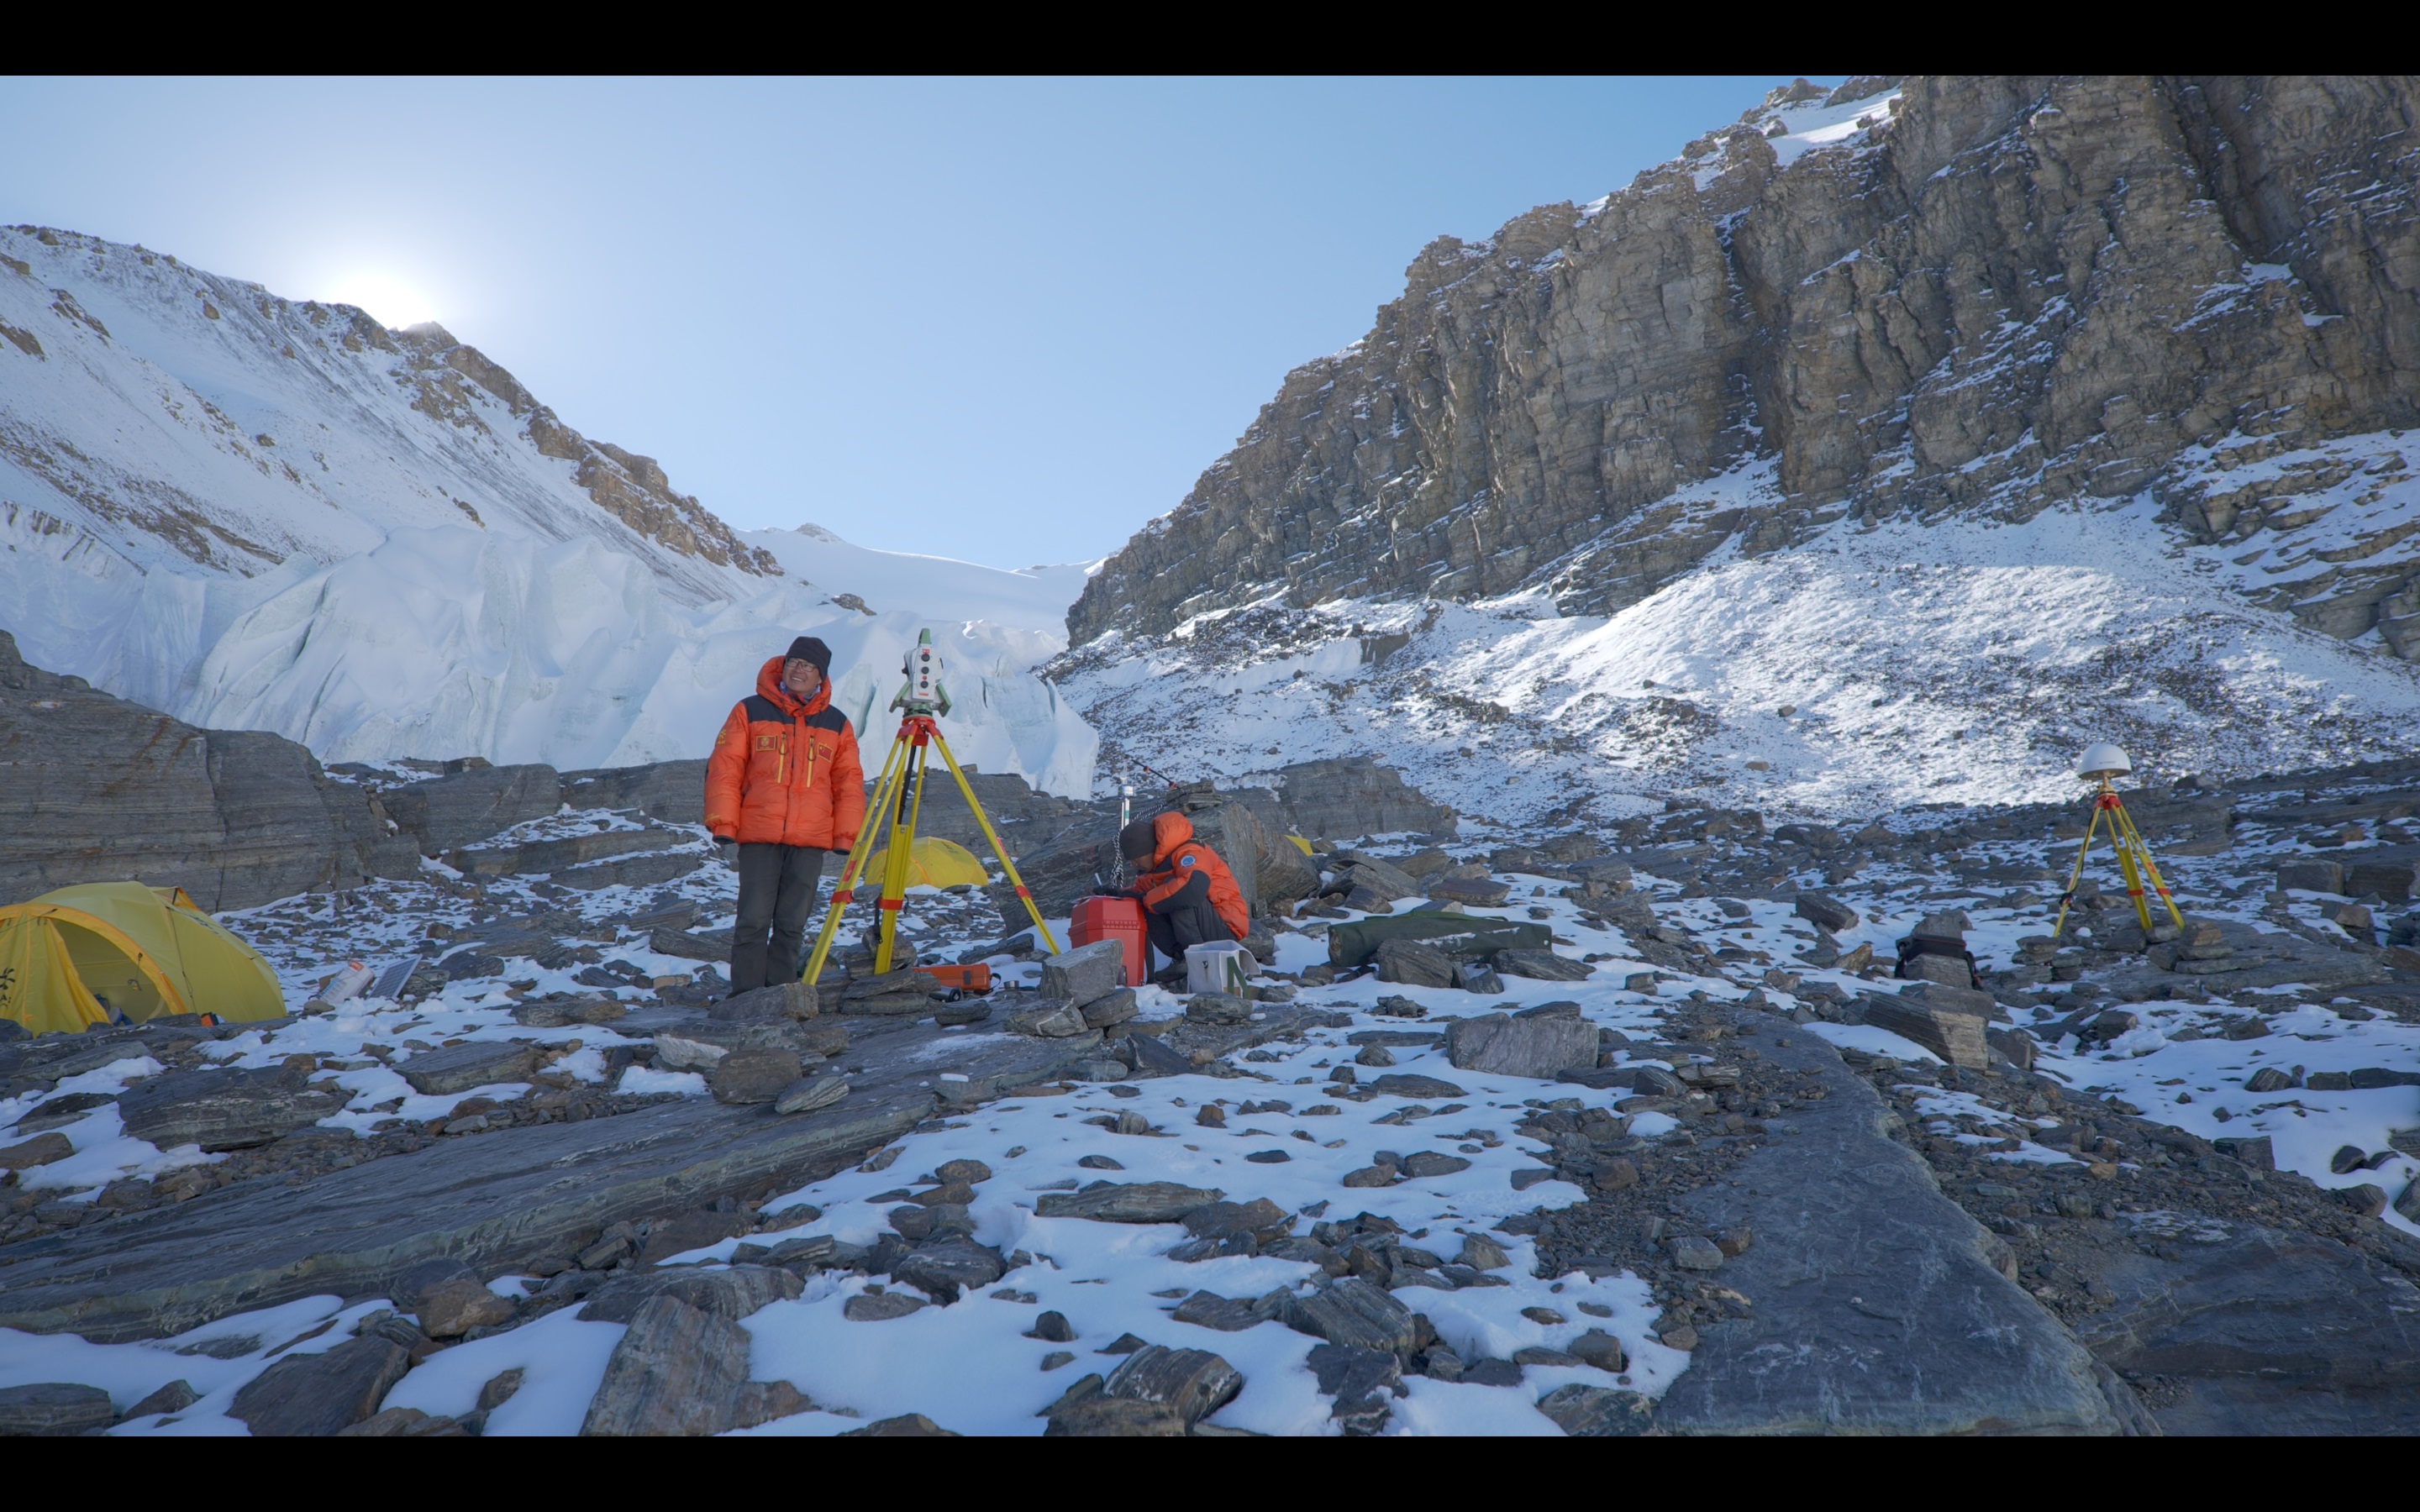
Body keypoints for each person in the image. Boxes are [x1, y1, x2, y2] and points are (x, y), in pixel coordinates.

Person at [704, 636, 864, 994]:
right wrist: (725, 822)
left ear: (820, 677)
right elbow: (725, 768)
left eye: (808, 666)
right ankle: (745, 996)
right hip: (759, 833)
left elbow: (849, 783)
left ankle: (781, 995)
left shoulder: (837, 724)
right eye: (793, 662)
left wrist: (844, 836)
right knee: (753, 920)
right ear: (783, 665)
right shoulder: (750, 710)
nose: (798, 669)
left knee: (792, 923)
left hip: (810, 839)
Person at [1120, 811, 1249, 976]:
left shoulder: (1189, 851)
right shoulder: (1155, 868)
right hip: (1202, 927)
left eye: (1137, 857)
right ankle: (1182, 958)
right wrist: (1116, 894)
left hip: (1224, 928)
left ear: (1151, 849)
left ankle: (1196, 959)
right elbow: (1138, 893)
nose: (1134, 864)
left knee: (1177, 891)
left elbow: (1193, 889)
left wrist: (1147, 899)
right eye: (1130, 860)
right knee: (1148, 901)